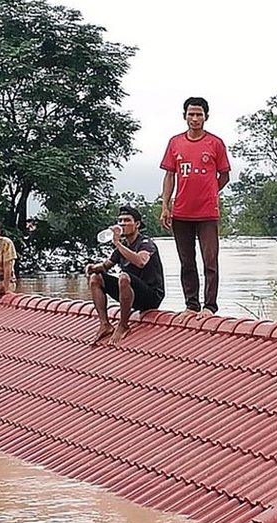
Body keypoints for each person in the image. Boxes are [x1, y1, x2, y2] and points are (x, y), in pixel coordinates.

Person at [159, 96, 231, 317]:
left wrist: (210, 192)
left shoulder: (215, 143)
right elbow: (169, 175)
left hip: (207, 212)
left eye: (199, 114)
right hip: (181, 212)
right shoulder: (175, 143)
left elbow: (225, 175)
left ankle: (210, 306)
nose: (195, 118)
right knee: (186, 261)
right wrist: (165, 206)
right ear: (185, 116)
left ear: (206, 117)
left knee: (210, 260)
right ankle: (191, 305)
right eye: (191, 114)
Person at [86, 206, 165, 345]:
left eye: (127, 220)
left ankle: (123, 325)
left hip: (150, 296)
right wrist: (92, 268)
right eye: (120, 220)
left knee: (123, 277)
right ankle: (105, 324)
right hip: (130, 292)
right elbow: (106, 266)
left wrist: (117, 243)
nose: (122, 224)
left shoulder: (146, 243)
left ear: (137, 224)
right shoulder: (121, 247)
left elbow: (141, 261)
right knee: (96, 278)